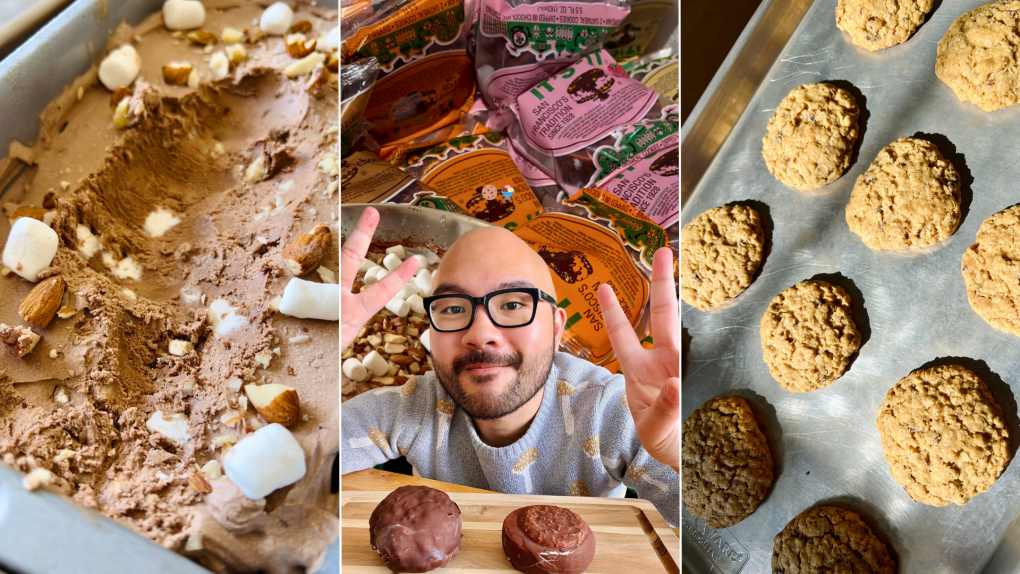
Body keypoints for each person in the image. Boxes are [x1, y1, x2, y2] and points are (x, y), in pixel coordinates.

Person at [340, 207, 679, 526]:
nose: (480, 334)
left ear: (557, 328)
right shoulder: (412, 409)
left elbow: (715, 541)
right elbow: (308, 456)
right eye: (454, 309)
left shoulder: (613, 412)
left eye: (513, 304)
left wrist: (683, 457)